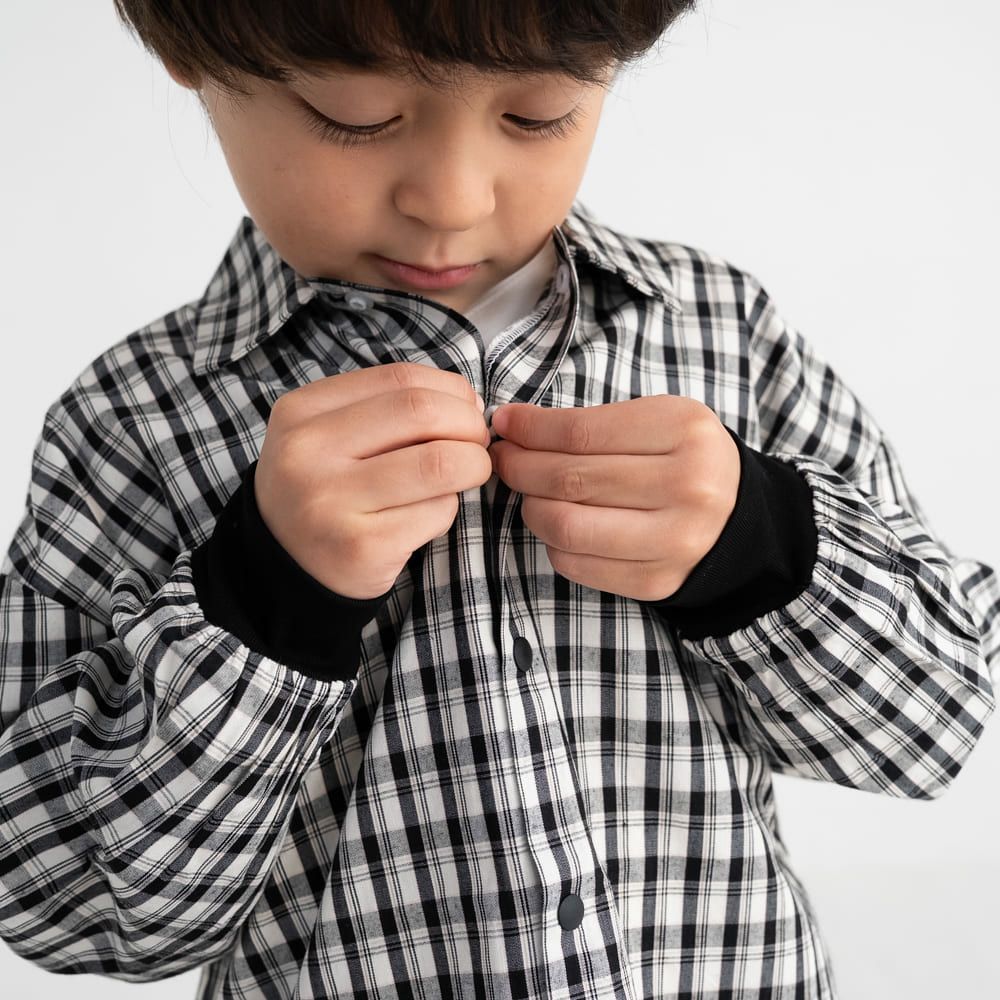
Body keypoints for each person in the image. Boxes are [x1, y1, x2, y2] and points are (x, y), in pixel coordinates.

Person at [0, 2, 996, 997]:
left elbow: (936, 718)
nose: (452, 200)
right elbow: (69, 910)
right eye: (355, 117)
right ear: (189, 51)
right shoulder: (130, 422)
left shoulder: (726, 333)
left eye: (536, 114)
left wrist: (761, 543)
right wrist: (265, 601)